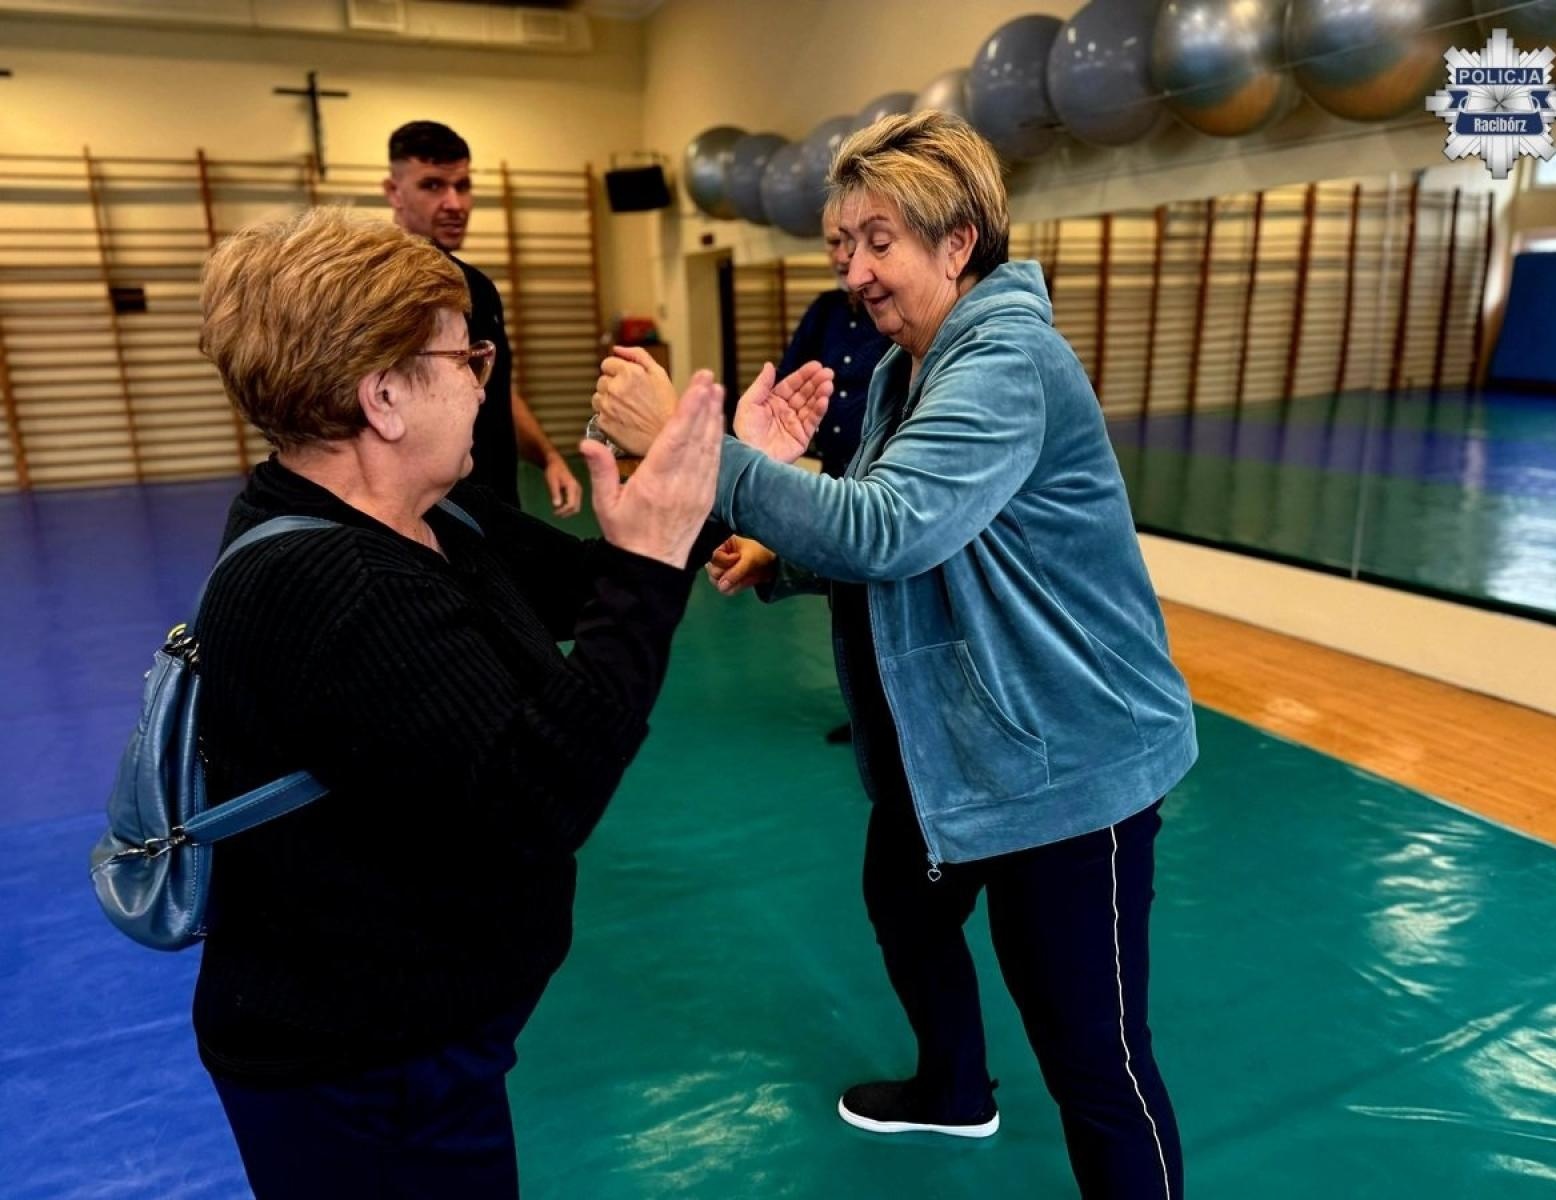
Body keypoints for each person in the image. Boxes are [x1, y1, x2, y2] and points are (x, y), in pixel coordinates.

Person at [595, 111, 1195, 1200]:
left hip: (1068, 765)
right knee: (902, 901)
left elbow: (888, 527)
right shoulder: (903, 372)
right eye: (840, 247)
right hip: (957, 744)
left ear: (957, 243)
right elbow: (902, 540)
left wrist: (688, 451)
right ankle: (955, 1087)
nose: (854, 272)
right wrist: (777, 554)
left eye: (878, 241)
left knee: (1092, 1058)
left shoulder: (1007, 361)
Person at [189, 205, 734, 1198]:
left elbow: (579, 592)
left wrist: (688, 510)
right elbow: (538, 796)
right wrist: (652, 565)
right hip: (359, 1073)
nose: (485, 379)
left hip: (424, 1048)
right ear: (384, 394)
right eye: (465, 358)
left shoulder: (417, 513)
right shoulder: (331, 582)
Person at [384, 120, 583, 516]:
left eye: (463, 186)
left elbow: (490, 388)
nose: (455, 204)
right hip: (434, 520)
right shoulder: (381, 293)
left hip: (496, 510)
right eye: (433, 185)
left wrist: (548, 456)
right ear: (394, 192)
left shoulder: (474, 286)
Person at [777, 207, 893, 743]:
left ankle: (897, 715)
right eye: (832, 242)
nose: (842, 254)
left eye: (857, 242)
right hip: (837, 473)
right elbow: (787, 381)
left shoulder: (895, 311)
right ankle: (866, 709)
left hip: (886, 480)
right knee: (845, 603)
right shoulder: (824, 312)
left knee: (887, 602)